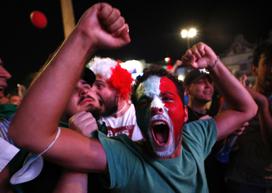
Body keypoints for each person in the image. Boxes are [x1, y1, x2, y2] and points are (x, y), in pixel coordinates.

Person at [8, 3, 257, 193]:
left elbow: (246, 108)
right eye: (145, 103)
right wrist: (83, 37)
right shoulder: (123, 157)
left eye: (167, 99)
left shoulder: (196, 137)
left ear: (184, 112)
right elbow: (27, 133)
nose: (156, 107)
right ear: (137, 116)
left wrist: (214, 63)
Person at [225, 42, 272, 193]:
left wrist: (263, 106)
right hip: (242, 182)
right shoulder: (239, 99)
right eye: (267, 64)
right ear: (254, 68)